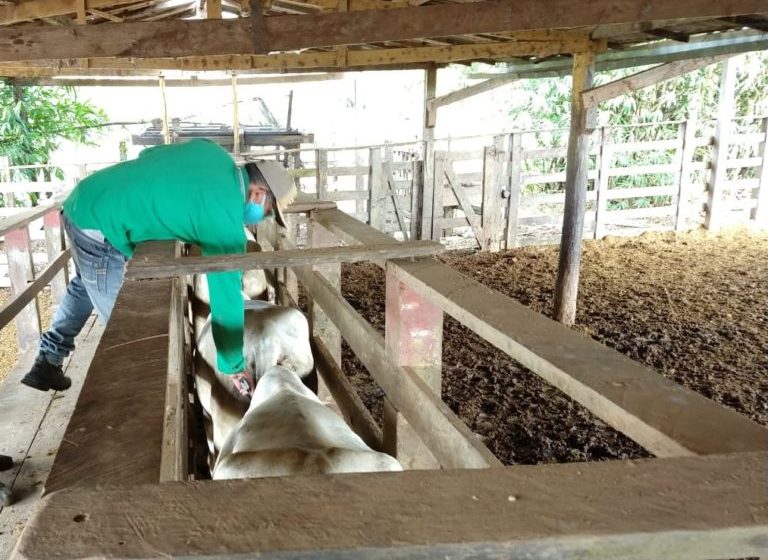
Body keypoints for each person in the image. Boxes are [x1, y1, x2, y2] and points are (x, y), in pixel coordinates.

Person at [21, 139, 295, 397]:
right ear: (258, 194)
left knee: (85, 284)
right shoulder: (225, 225)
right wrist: (232, 364)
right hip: (101, 226)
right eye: (269, 211)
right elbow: (226, 296)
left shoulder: (211, 152)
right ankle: (129, 404)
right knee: (127, 326)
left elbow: (149, 157)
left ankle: (48, 360)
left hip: (85, 199)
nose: (264, 218)